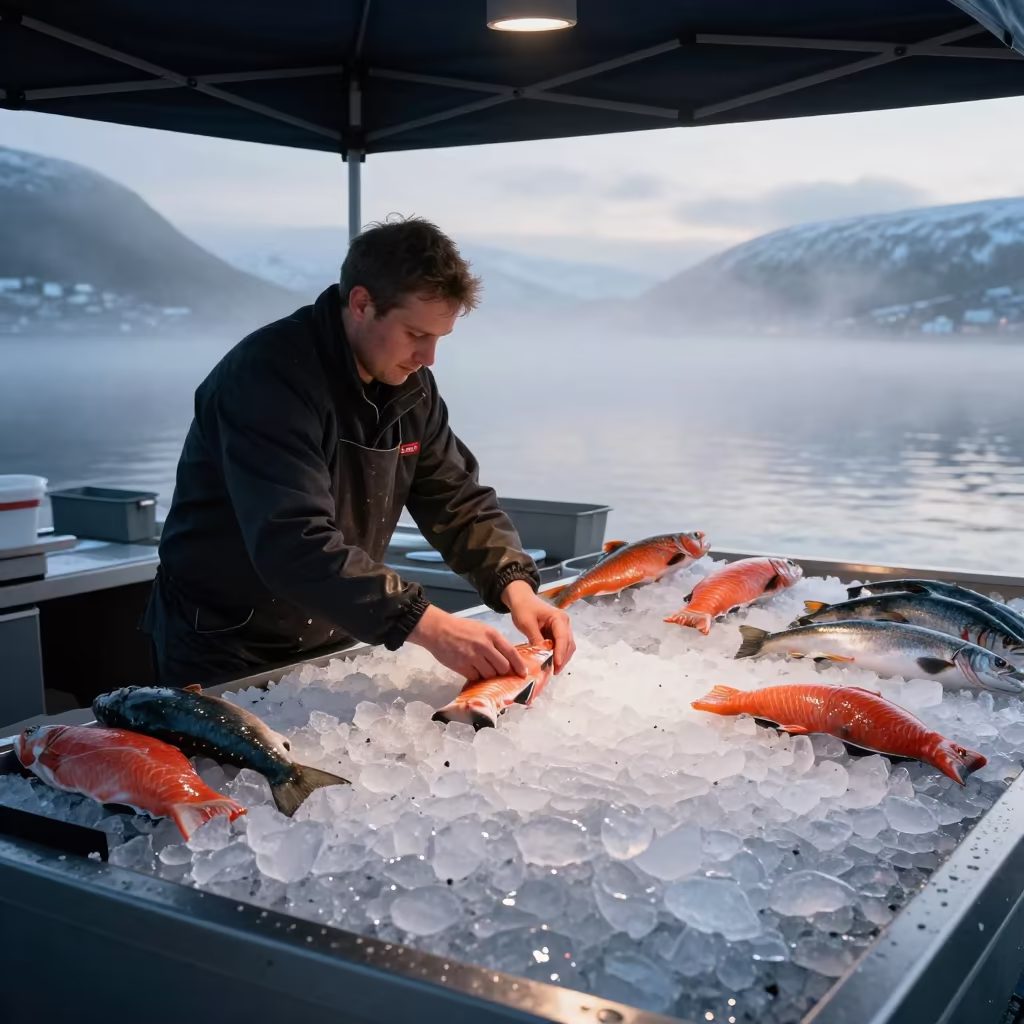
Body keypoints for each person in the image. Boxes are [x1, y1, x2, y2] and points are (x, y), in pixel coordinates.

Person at [142, 216, 574, 689]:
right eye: (416, 334)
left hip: (334, 630)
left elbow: (455, 499)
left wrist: (517, 587)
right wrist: (429, 625)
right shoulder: (267, 379)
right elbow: (293, 540)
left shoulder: (410, 384)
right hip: (225, 646)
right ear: (362, 303)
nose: (428, 358)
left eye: (438, 339)